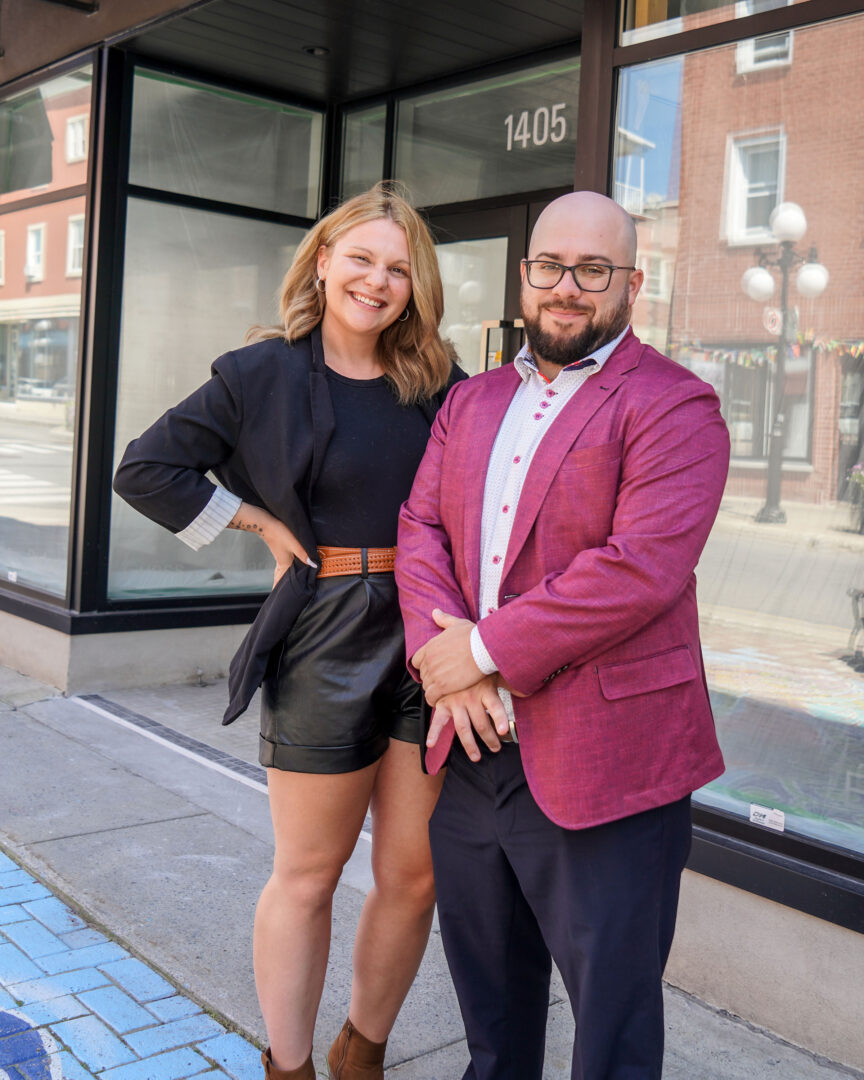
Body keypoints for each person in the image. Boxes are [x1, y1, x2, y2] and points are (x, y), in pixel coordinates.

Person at [113, 183, 465, 1080]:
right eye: (361, 259)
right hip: (324, 632)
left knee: (416, 873)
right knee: (308, 873)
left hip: (431, 635)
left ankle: (363, 1052)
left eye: (398, 268)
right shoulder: (259, 373)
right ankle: (291, 1066)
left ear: (415, 286)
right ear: (321, 260)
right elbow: (145, 469)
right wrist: (257, 524)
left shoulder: (441, 384)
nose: (377, 282)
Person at [395, 190, 731, 1080]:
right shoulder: (471, 401)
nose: (568, 288)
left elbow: (637, 569)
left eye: (594, 270)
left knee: (611, 1032)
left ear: (632, 283)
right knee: (493, 1021)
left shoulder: (674, 404)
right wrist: (454, 674)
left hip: (609, 764)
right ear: (526, 275)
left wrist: (481, 650)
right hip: (472, 748)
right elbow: (419, 528)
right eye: (551, 267)